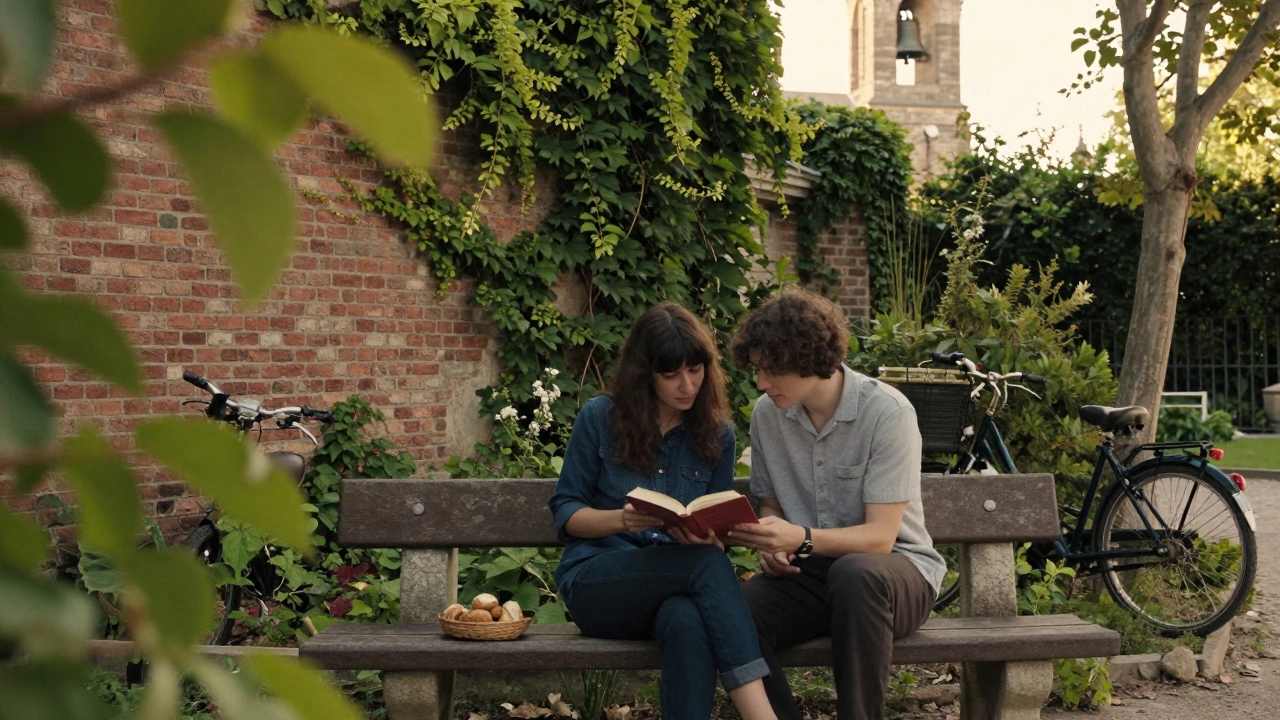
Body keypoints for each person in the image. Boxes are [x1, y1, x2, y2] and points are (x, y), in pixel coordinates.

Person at [548, 302, 777, 720]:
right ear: (644, 373)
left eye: (695, 369)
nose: (687, 385)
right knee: (704, 567)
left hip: (672, 588)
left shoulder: (716, 435)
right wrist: (621, 518)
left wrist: (709, 536)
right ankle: (762, 715)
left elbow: (715, 519)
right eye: (671, 374)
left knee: (687, 618)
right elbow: (566, 514)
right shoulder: (600, 418)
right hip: (597, 583)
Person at [725, 289, 945, 720]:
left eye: (771, 371)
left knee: (855, 572)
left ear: (808, 359)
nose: (761, 383)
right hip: (811, 574)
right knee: (734, 612)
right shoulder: (766, 415)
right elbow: (770, 505)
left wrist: (801, 537)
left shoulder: (886, 412)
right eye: (758, 370)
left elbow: (881, 539)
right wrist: (774, 543)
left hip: (896, 574)